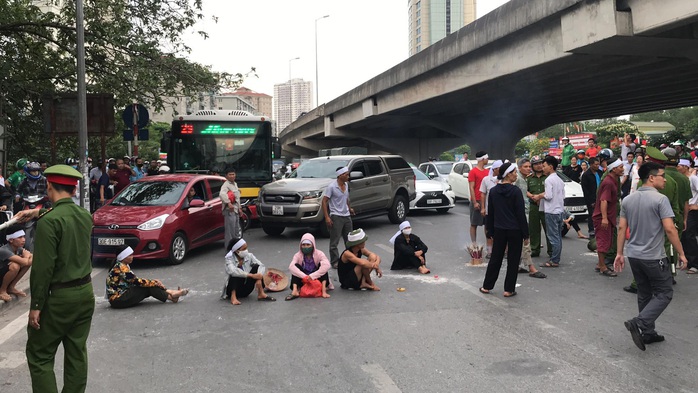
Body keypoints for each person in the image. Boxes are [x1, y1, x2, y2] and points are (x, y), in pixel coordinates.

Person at [18, 164, 94, 393]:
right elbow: (64, 216)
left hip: (59, 298)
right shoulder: (84, 215)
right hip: (85, 294)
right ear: (73, 190)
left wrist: (36, 305)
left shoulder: (49, 222)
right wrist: (36, 212)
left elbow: (42, 269)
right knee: (76, 352)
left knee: (39, 355)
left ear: (49, 186)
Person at [614, 161, 688, 351]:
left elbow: (622, 227)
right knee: (665, 292)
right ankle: (639, 322)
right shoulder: (660, 200)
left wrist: (620, 253)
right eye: (662, 176)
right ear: (651, 178)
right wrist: (681, 253)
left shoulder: (629, 199)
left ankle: (648, 332)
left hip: (634, 255)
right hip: (654, 256)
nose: (665, 179)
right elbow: (670, 229)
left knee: (645, 293)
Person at [480, 162, 530, 297]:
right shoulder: (515, 191)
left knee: (496, 258)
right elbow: (520, 214)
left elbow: (491, 212)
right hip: (515, 230)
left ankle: (486, 286)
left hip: (499, 229)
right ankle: (509, 289)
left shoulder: (494, 191)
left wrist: (489, 231)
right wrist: (526, 234)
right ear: (508, 174)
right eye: (514, 172)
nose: (516, 175)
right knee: (513, 260)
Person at [106, 246, 188, 308]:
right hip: (118, 300)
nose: (132, 257)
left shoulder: (122, 265)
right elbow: (136, 281)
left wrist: (153, 282)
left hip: (119, 297)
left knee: (149, 284)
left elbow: (134, 281)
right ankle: (171, 294)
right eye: (130, 255)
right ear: (123, 257)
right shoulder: (121, 268)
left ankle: (172, 296)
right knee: (148, 286)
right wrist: (155, 282)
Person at [592, 158, 624, 277]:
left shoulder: (614, 180)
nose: (622, 169)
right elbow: (604, 200)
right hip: (602, 217)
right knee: (603, 241)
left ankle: (601, 264)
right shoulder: (608, 182)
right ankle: (602, 266)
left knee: (607, 241)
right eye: (620, 167)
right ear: (614, 169)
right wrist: (604, 218)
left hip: (609, 216)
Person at [514, 158, 545, 278]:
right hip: (521, 214)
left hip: (522, 213)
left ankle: (517, 265)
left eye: (529, 166)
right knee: (525, 241)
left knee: (520, 242)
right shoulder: (518, 179)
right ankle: (531, 268)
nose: (528, 168)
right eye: (525, 167)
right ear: (520, 167)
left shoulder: (523, 179)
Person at [533, 156, 565, 267]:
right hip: (559, 211)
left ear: (551, 167)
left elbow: (549, 196)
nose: (543, 168)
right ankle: (556, 258)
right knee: (558, 236)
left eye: (544, 166)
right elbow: (562, 196)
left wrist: (539, 196)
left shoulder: (548, 180)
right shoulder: (560, 180)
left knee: (553, 236)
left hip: (551, 211)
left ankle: (554, 260)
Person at [222, 238, 275, 304]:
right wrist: (251, 275)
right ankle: (233, 297)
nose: (246, 251)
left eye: (246, 248)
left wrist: (259, 277)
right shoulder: (229, 259)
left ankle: (261, 293)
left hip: (246, 289)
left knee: (256, 267)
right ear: (237, 251)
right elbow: (232, 271)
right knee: (235, 274)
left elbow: (261, 265)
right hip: (233, 289)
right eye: (243, 249)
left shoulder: (249, 256)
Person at [322, 166, 355, 269]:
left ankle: (350, 258)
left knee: (349, 239)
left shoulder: (346, 185)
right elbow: (324, 201)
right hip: (336, 216)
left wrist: (349, 208)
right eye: (346, 174)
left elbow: (346, 198)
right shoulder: (332, 187)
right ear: (340, 175)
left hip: (346, 216)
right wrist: (327, 217)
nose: (348, 176)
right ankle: (335, 261)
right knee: (334, 241)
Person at [286, 233, 331, 300]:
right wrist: (304, 276)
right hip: (304, 279)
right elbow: (291, 267)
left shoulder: (319, 253)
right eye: (303, 245)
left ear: (313, 245)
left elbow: (327, 265)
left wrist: (313, 276)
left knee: (322, 266)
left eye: (308, 245)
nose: (306, 247)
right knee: (296, 267)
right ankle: (295, 290)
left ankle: (323, 290)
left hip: (316, 278)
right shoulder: (297, 255)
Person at [526, 156, 552, 259]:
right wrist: (532, 196)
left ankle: (552, 250)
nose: (539, 165)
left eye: (541, 163)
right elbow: (525, 189)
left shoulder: (548, 177)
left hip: (546, 205)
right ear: (532, 166)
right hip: (533, 206)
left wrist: (540, 196)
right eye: (536, 164)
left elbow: (551, 191)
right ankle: (535, 249)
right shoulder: (529, 178)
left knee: (548, 228)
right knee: (534, 228)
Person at [0, 225, 32, 301]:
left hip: (3, 276)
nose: (23, 240)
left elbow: (31, 259)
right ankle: (2, 291)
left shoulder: (18, 249)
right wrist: (26, 256)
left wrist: (27, 257)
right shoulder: (3, 250)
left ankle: (11, 287)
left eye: (24, 237)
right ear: (11, 240)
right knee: (15, 266)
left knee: (28, 262)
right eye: (20, 237)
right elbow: (25, 261)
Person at [480, 159, 505, 258]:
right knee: (489, 230)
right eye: (499, 169)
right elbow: (483, 194)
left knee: (503, 231)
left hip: (503, 211)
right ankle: (490, 251)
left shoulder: (505, 180)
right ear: (494, 169)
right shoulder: (486, 179)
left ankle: (505, 250)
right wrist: (482, 208)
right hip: (489, 210)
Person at [468, 151, 489, 244]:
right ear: (483, 159)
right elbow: (471, 187)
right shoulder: (473, 172)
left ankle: (489, 245)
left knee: (487, 224)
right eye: (487, 158)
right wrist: (475, 202)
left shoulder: (488, 172)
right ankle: (474, 244)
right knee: (474, 224)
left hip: (486, 200)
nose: (487, 160)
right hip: (477, 199)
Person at [220, 168, 242, 248]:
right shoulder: (226, 185)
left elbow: (237, 197)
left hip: (235, 210)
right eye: (230, 174)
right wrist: (228, 203)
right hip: (229, 210)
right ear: (226, 176)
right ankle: (229, 250)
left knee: (236, 231)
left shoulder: (235, 184)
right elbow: (222, 194)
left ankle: (236, 248)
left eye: (233, 174)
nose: (232, 176)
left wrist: (239, 208)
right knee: (229, 232)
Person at [581, 157, 603, 237]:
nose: (597, 166)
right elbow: (585, 190)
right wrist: (590, 201)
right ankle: (591, 230)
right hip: (591, 198)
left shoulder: (600, 173)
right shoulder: (586, 175)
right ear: (591, 165)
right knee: (592, 214)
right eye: (596, 164)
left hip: (601, 197)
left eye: (598, 164)